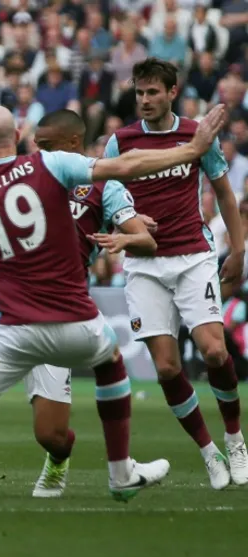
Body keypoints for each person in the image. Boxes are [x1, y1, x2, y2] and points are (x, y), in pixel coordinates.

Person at [0, 102, 227, 516]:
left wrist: (128, 234)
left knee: (42, 434)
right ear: (18, 137)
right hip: (47, 310)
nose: (41, 147)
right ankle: (120, 470)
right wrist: (191, 150)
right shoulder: (50, 166)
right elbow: (128, 164)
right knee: (101, 358)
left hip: (18, 321)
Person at [0, 109, 158, 498]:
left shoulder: (102, 187)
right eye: (36, 145)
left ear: (73, 145)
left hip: (59, 306)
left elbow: (146, 240)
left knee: (51, 435)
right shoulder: (26, 174)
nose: (38, 152)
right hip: (4, 297)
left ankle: (59, 459)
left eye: (47, 146)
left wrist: (127, 238)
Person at [104, 58, 248, 489]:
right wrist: (124, 223)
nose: (144, 100)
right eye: (139, 93)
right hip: (144, 265)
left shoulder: (197, 135)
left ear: (172, 92)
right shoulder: (120, 142)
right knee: (167, 368)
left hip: (193, 257)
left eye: (153, 92)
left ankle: (235, 439)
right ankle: (209, 452)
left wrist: (238, 249)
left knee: (215, 352)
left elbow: (223, 192)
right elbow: (101, 196)